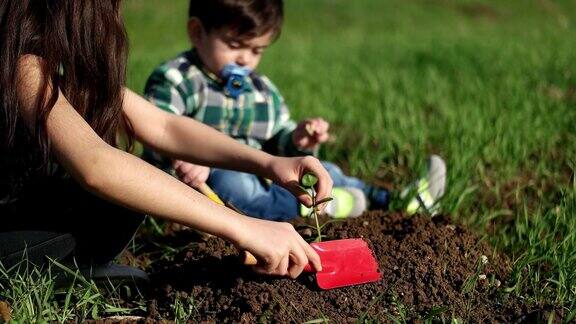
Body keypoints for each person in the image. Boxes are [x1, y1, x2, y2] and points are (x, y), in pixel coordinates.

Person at [0, 0, 334, 282]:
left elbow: (163, 126)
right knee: (119, 191)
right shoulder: (21, 66)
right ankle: (59, 272)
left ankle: (71, 267)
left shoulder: (52, 68)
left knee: (122, 200)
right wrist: (242, 227)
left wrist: (270, 163)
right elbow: (96, 165)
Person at [142, 0, 447, 221]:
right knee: (235, 185)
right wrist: (184, 156)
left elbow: (278, 137)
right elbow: (157, 126)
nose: (246, 60)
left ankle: (398, 200)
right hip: (201, 187)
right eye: (236, 45)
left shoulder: (261, 90)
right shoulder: (176, 79)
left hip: (260, 172)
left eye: (257, 50)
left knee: (329, 171)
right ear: (197, 33)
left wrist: (297, 138)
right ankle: (311, 208)